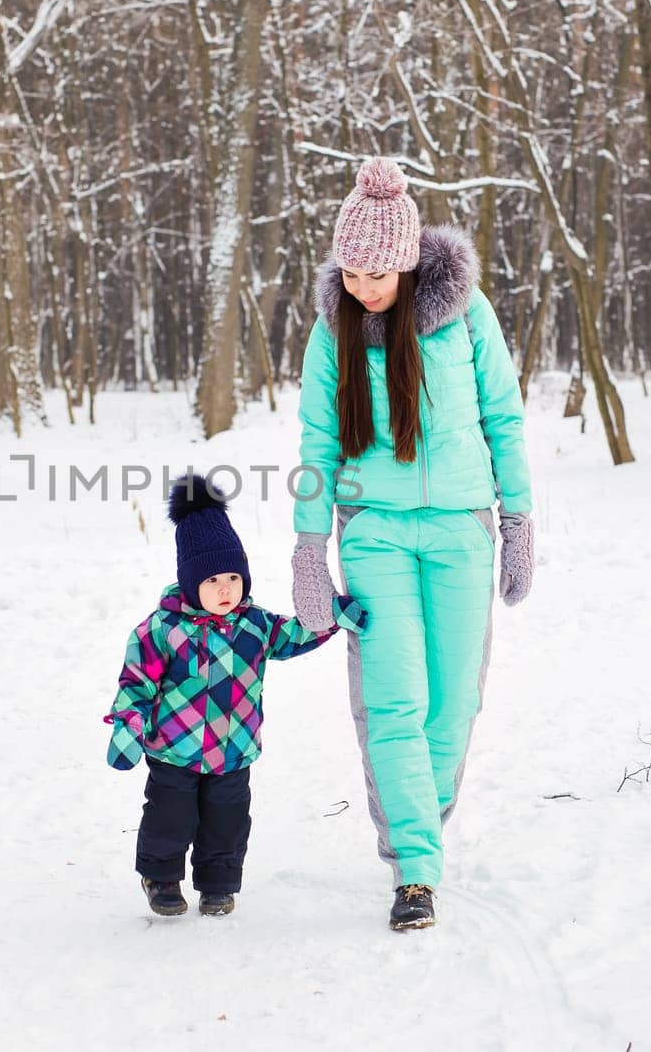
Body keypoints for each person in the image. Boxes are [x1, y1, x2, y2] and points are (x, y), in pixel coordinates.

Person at [290, 157, 535, 931]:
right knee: (394, 700)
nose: (364, 285)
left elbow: (505, 418)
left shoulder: (466, 316)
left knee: (453, 702)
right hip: (376, 536)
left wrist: (518, 520)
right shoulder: (334, 332)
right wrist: (308, 549)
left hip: (463, 530)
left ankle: (417, 824)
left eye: (378, 272)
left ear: (407, 259)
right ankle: (416, 871)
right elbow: (317, 442)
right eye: (351, 270)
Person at [105, 473, 366, 917]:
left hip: (234, 750)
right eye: (211, 581)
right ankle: (162, 879)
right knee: (171, 817)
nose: (225, 589)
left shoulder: (255, 625)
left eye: (232, 577)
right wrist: (129, 726)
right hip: (173, 750)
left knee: (227, 822)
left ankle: (218, 885)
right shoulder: (162, 631)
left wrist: (332, 615)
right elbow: (137, 683)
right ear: (190, 583)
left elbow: (295, 634)